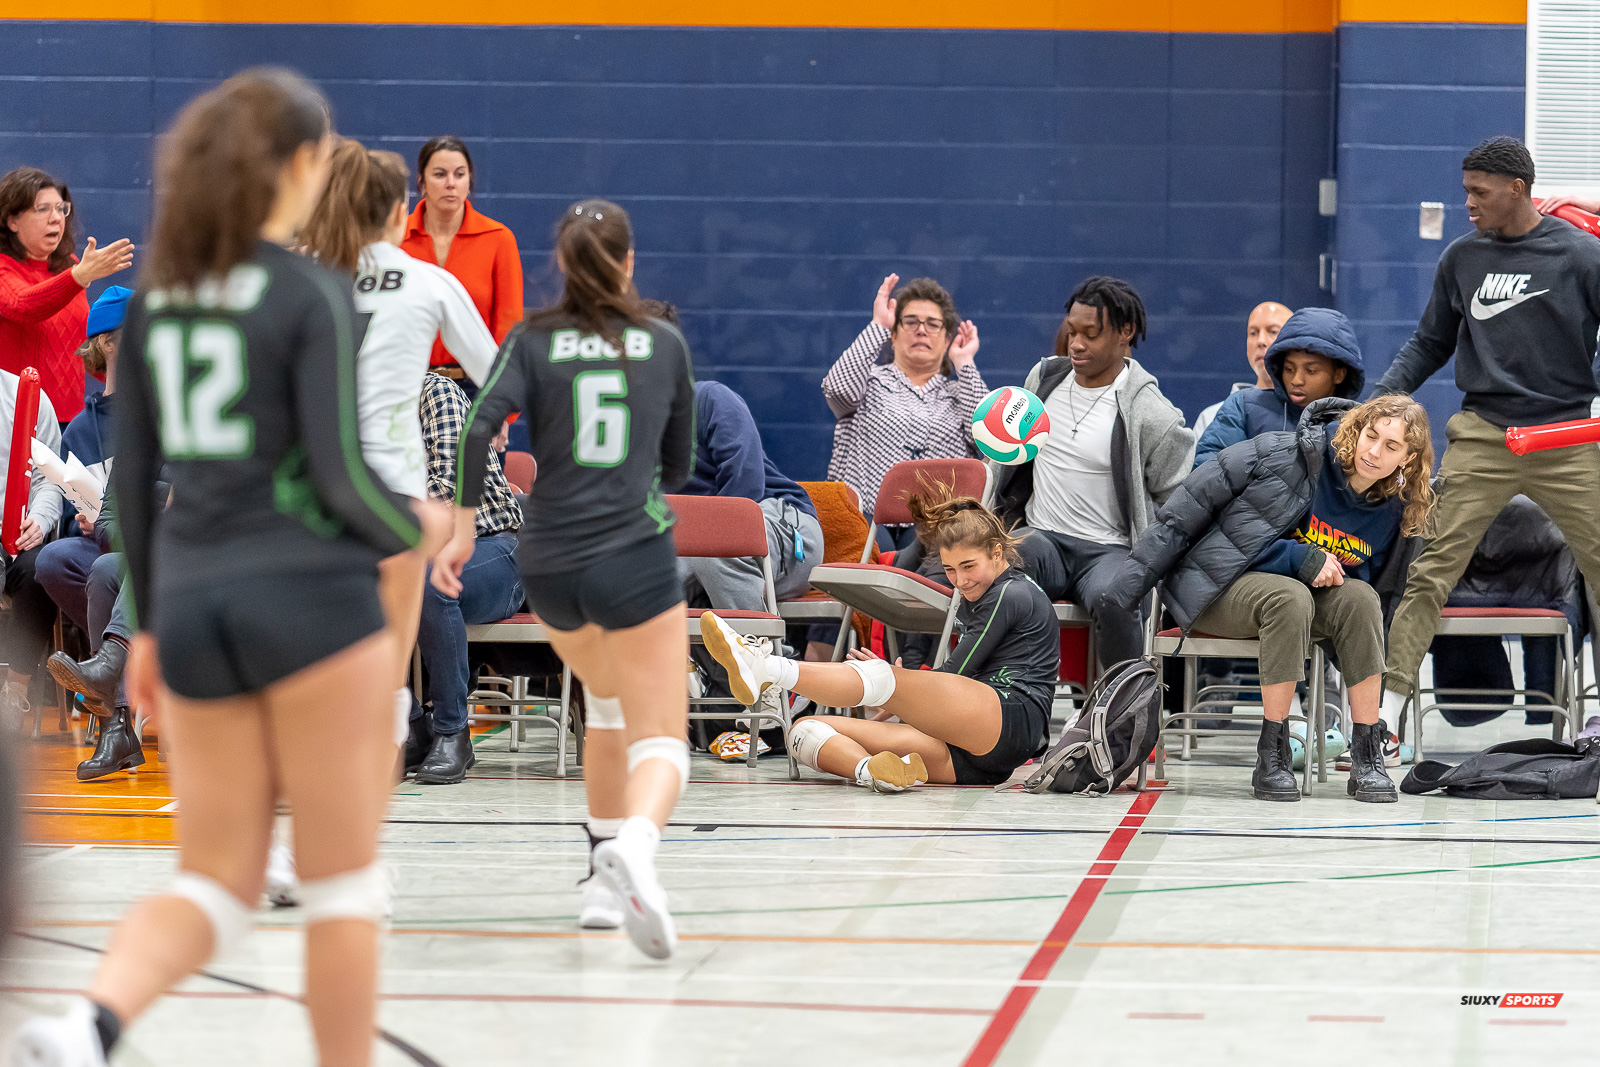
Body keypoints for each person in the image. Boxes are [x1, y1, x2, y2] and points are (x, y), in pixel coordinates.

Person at [7, 69, 450, 1067]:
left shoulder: (158, 303)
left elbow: (135, 486)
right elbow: (341, 479)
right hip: (310, 603)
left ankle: (88, 1023)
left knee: (212, 879)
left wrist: (147, 632)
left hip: (198, 608)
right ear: (294, 166)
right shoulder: (312, 292)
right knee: (341, 887)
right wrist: (422, 521)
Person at [435, 198, 695, 959]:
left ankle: (599, 886)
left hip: (548, 560)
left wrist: (461, 527)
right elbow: (678, 465)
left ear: (562, 261)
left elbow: (477, 426)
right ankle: (636, 849)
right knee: (664, 736)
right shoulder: (662, 341)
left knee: (605, 708)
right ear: (628, 261)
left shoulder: (533, 338)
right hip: (633, 553)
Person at [1101, 394, 1435, 803]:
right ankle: (1273, 752)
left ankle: (1367, 752)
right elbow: (1200, 518)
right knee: (1289, 596)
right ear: (1356, 430)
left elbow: (1381, 593)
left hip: (1302, 604)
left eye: (1391, 446)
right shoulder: (1289, 456)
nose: (1374, 451)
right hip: (1219, 587)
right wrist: (1299, 558)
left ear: (1408, 458)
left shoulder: (1397, 509)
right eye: (1371, 435)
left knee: (1362, 599)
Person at [1371, 136, 1600, 731]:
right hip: (1484, 436)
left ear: (1517, 189)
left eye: (1479, 191)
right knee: (1429, 569)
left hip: (1567, 437)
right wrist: (1378, 403)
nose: (1467, 202)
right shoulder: (1461, 259)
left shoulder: (1581, 255)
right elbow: (1429, 343)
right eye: (1465, 190)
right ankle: (1384, 722)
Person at [299, 137, 500, 777]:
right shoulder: (428, 281)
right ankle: (365, 807)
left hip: (314, 493)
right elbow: (497, 379)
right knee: (385, 669)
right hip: (394, 497)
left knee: (320, 659)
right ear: (397, 210)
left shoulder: (307, 279)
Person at [699, 483, 1057, 790]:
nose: (960, 580)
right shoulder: (983, 592)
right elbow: (955, 686)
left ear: (997, 553)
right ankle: (871, 772)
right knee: (806, 730)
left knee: (882, 677)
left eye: (968, 567)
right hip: (976, 753)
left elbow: (956, 673)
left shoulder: (1011, 593)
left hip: (1010, 720)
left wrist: (901, 689)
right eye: (950, 569)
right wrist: (903, 694)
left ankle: (766, 668)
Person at [993, 275, 1195, 672]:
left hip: (1109, 551)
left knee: (1114, 596)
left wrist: (1153, 562)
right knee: (1002, 561)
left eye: (1091, 334)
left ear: (1125, 332)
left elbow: (1178, 501)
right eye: (1072, 332)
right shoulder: (1043, 380)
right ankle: (1004, 694)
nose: (1077, 344)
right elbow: (1007, 459)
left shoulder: (1154, 415)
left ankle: (1127, 705)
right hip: (1042, 537)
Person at [409, 371, 525, 784]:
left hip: (492, 546)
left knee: (429, 582)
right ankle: (412, 727)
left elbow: (447, 490)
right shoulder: (351, 407)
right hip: (409, 552)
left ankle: (452, 731)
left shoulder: (434, 392)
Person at [822, 273, 985, 526]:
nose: (921, 330)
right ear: (894, 335)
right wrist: (878, 325)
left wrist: (964, 362)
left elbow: (987, 438)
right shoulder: (867, 381)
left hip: (938, 526)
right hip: (863, 520)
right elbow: (838, 390)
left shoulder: (959, 394)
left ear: (946, 340)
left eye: (933, 324)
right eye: (910, 322)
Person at [0, 167, 134, 422]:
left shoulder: (69, 267)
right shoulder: (6, 268)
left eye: (61, 209)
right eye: (42, 209)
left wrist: (129, 377)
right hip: (14, 423)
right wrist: (78, 277)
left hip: (70, 421)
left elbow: (77, 345)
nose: (56, 218)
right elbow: (23, 305)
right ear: (12, 220)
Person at [38, 285, 129, 655]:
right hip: (103, 547)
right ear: (108, 343)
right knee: (53, 559)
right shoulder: (77, 432)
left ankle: (112, 668)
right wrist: (84, 524)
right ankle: (115, 657)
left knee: (110, 568)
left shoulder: (163, 410)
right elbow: (69, 520)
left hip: (153, 544)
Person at [400, 136, 522, 386]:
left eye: (459, 174)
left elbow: (508, 327)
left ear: (470, 181)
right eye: (440, 174)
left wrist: (501, 395)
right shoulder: (398, 238)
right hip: (407, 383)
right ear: (422, 182)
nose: (451, 184)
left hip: (475, 384)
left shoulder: (498, 238)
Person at [1192, 306, 1364, 467]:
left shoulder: (1360, 426)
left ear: (1339, 375)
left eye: (1311, 371)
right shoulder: (1244, 407)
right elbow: (1207, 475)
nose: (1296, 380)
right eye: (1289, 369)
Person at [1192, 300, 1291, 439]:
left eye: (1273, 331)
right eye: (1253, 333)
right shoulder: (1211, 418)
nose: (1260, 341)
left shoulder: (1308, 415)